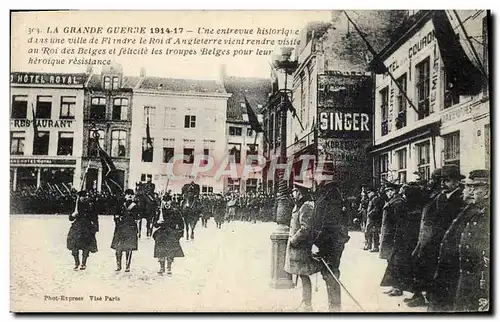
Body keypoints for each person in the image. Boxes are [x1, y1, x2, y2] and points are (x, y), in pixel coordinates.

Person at [422, 165, 465, 311]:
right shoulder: (439, 197)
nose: (442, 184)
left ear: (456, 182)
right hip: (435, 242)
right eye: (441, 180)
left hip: (451, 245)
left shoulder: (461, 199)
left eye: (446, 180)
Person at [313, 172, 350, 312]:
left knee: (331, 274)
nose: (315, 179)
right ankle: (333, 308)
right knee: (329, 275)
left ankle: (334, 310)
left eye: (318, 176)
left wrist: (318, 242)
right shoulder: (328, 193)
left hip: (331, 242)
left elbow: (329, 223)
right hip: (329, 241)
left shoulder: (332, 195)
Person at [455, 170, 490, 312]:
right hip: (468, 272)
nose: (469, 191)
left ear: (487, 192)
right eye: (469, 187)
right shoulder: (474, 210)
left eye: (475, 188)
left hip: (481, 275)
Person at [380, 183, 423, 297]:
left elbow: (399, 223)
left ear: (395, 191)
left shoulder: (398, 203)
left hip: (394, 237)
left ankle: (398, 287)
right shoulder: (394, 201)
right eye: (386, 191)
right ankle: (395, 286)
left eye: (389, 191)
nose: (387, 193)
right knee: (392, 262)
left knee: (396, 263)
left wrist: (395, 238)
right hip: (390, 236)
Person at [284, 182, 321, 312]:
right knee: (301, 274)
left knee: (304, 275)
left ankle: (307, 304)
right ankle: (305, 301)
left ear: (300, 192)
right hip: (297, 248)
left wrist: (294, 240)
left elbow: (305, 228)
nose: (293, 194)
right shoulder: (299, 205)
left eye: (295, 191)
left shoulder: (306, 206)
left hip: (301, 247)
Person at [153, 195, 185, 276]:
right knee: (160, 250)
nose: (166, 203)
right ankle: (161, 267)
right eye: (164, 201)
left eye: (168, 201)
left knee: (170, 251)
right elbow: (154, 224)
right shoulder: (159, 211)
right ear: (162, 202)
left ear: (171, 202)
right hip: (162, 233)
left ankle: (169, 267)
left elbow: (181, 223)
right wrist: (158, 222)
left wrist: (179, 234)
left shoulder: (175, 211)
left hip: (171, 233)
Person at [66, 190, 99, 270]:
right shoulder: (76, 205)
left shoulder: (91, 205)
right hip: (77, 227)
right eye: (84, 196)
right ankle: (77, 262)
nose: (86, 198)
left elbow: (95, 217)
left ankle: (83, 263)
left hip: (87, 227)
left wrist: (96, 228)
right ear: (80, 197)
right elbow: (70, 218)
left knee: (86, 246)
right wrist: (73, 214)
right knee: (74, 245)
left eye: (87, 196)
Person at [111, 189, 140, 272]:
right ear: (125, 195)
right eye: (128, 194)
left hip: (130, 229)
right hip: (120, 229)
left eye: (131, 194)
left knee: (129, 248)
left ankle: (127, 266)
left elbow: (138, 218)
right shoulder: (120, 205)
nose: (130, 196)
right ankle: (118, 265)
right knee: (118, 248)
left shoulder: (136, 206)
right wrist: (118, 221)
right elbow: (115, 215)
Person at [364, 187, 383, 252]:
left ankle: (375, 247)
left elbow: (376, 209)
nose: (368, 194)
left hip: (374, 219)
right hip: (371, 218)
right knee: (368, 232)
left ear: (373, 192)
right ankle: (369, 245)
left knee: (374, 232)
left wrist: (370, 213)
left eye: (369, 192)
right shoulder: (371, 199)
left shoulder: (375, 199)